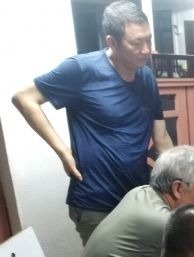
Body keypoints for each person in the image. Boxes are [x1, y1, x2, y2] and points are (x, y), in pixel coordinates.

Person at [12, 1, 173, 244]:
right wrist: (63, 152)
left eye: (149, 40)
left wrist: (181, 173)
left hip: (138, 196)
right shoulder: (82, 69)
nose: (146, 49)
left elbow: (161, 138)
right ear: (112, 42)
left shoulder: (147, 78)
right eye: (136, 43)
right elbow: (24, 98)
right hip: (96, 202)